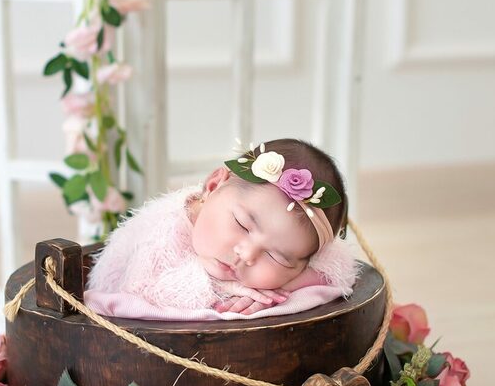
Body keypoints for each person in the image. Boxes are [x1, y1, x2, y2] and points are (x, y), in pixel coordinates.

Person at [85, 137, 358, 320]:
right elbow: (138, 295)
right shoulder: (162, 232)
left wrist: (283, 286)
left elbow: (337, 270)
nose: (247, 254)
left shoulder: (299, 257)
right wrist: (222, 287)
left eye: (277, 256)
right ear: (214, 185)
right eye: (242, 225)